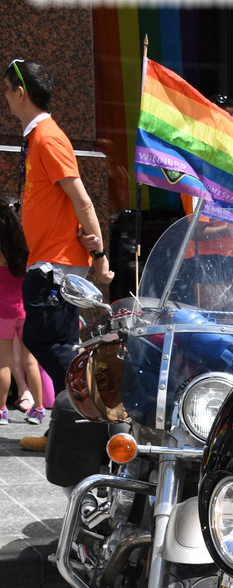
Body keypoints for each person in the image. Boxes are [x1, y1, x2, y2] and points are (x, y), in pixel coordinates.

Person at [3, 58, 113, 450]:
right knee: (61, 340)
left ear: (20, 93)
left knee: (42, 337)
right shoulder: (39, 137)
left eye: (7, 90)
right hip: (51, 260)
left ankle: (98, 412)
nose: (5, 98)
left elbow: (82, 200)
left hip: (56, 264)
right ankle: (65, 430)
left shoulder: (48, 138)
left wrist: (100, 253)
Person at [0, 198, 43, 424]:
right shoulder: (24, 248)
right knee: (30, 361)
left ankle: (1, 412)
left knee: (4, 362)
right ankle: (38, 409)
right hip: (24, 311)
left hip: (2, 313)